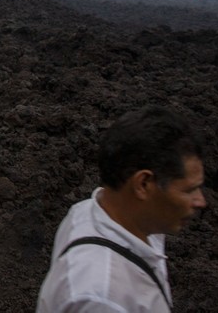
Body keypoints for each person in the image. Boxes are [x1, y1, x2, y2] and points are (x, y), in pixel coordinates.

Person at [37, 106, 207, 312]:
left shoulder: (90, 211)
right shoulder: (102, 298)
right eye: (189, 190)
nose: (201, 201)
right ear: (143, 184)